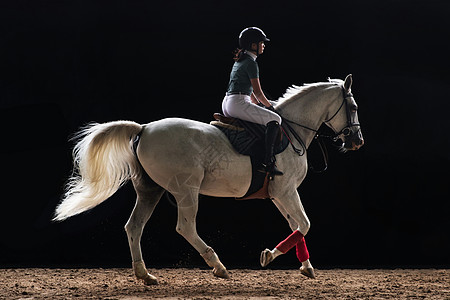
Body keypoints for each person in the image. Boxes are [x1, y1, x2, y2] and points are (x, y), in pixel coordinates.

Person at [222, 27, 283, 176]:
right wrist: (270, 107)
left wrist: (260, 105)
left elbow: (251, 93)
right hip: (238, 103)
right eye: (261, 43)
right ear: (253, 45)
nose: (264, 45)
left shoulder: (242, 60)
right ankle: (267, 162)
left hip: (228, 102)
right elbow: (257, 92)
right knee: (275, 120)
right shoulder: (251, 63)